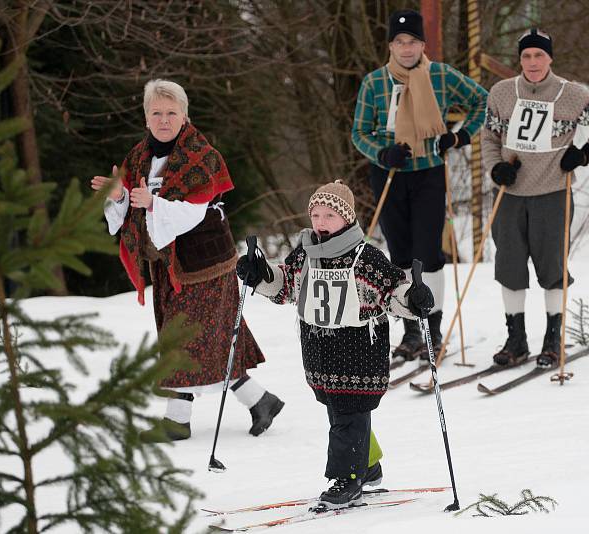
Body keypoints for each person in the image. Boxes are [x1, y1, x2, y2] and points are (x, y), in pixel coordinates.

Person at [91, 79, 283, 442]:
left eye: (171, 113)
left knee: (191, 339)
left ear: (184, 116)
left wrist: (152, 203)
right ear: (146, 117)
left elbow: (195, 212)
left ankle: (179, 420)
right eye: (156, 113)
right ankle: (261, 401)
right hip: (167, 264)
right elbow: (128, 209)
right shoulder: (138, 158)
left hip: (204, 263)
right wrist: (119, 196)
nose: (163, 120)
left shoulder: (201, 156)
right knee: (196, 339)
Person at [237, 180, 434, 510]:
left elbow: (392, 293)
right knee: (338, 408)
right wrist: (260, 275)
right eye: (315, 214)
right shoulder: (306, 253)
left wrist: (413, 299)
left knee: (349, 411)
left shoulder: (365, 256)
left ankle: (348, 478)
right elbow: (287, 286)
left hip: (359, 348)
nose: (320, 222)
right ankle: (367, 467)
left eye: (330, 215)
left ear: (347, 218)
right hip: (320, 348)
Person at [351, 9, 488, 360]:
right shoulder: (375, 82)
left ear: (422, 45)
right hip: (390, 173)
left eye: (412, 42)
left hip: (429, 170)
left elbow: (481, 102)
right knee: (399, 253)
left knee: (427, 253)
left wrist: (459, 138)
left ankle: (433, 328)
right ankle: (411, 329)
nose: (406, 48)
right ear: (391, 46)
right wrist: (382, 153)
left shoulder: (440, 76)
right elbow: (359, 133)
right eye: (400, 42)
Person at [481, 28, 589, 368]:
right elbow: (489, 136)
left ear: (550, 58)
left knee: (552, 267)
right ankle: (516, 339)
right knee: (509, 266)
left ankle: (553, 337)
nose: (533, 62)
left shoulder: (570, 93)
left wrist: (585, 154)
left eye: (539, 55)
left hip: (552, 192)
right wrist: (496, 168)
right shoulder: (502, 92)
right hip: (510, 195)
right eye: (526, 55)